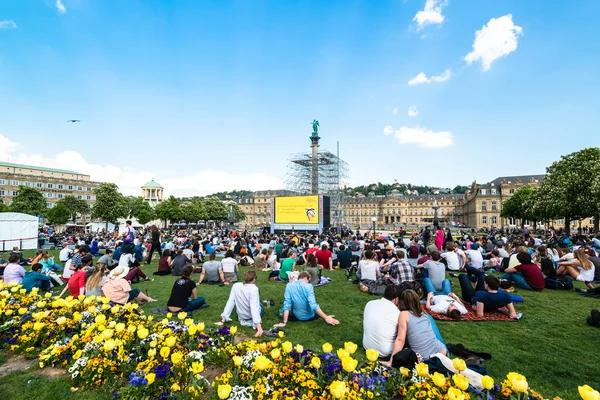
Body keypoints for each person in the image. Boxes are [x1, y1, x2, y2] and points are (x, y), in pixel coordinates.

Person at [386, 290, 446, 364]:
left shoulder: (404, 314)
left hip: (425, 358)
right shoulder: (424, 315)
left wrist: (391, 361)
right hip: (442, 351)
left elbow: (400, 340)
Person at [218, 270, 264, 337]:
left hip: (241, 314)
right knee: (260, 305)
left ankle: (256, 319)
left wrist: (223, 319)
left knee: (256, 304)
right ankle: (258, 319)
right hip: (249, 314)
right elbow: (254, 308)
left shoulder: (236, 285)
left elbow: (230, 302)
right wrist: (259, 327)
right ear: (254, 279)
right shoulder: (254, 289)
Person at [362, 285, 403, 358]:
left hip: (367, 347)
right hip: (385, 352)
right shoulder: (397, 313)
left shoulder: (370, 303)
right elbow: (400, 338)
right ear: (396, 299)